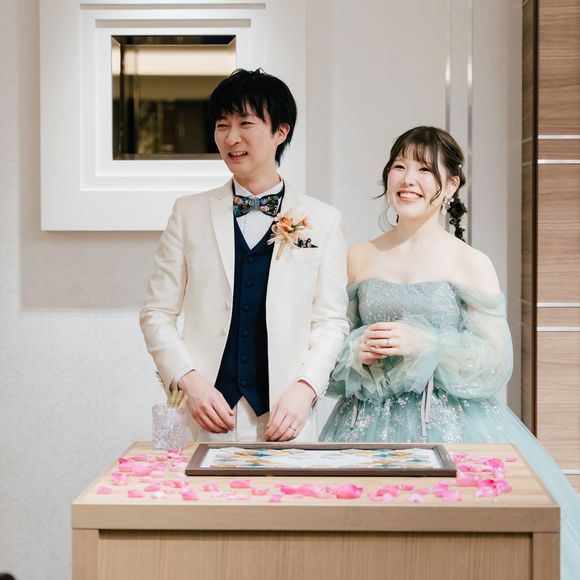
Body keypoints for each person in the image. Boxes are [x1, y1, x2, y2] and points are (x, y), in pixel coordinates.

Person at [319, 125, 580, 578]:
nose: (408, 179)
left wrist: (430, 344)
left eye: (424, 169)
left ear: (451, 184)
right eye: (399, 166)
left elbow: (495, 362)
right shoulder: (358, 256)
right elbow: (327, 343)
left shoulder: (470, 262)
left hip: (452, 427)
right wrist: (356, 349)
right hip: (362, 426)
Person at [140, 68, 349, 443]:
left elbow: (331, 322)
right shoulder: (188, 213)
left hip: (287, 417)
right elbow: (156, 313)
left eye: (245, 124)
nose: (231, 138)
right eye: (222, 125)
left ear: (280, 131)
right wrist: (189, 382)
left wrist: (306, 389)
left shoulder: (323, 221)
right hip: (206, 413)